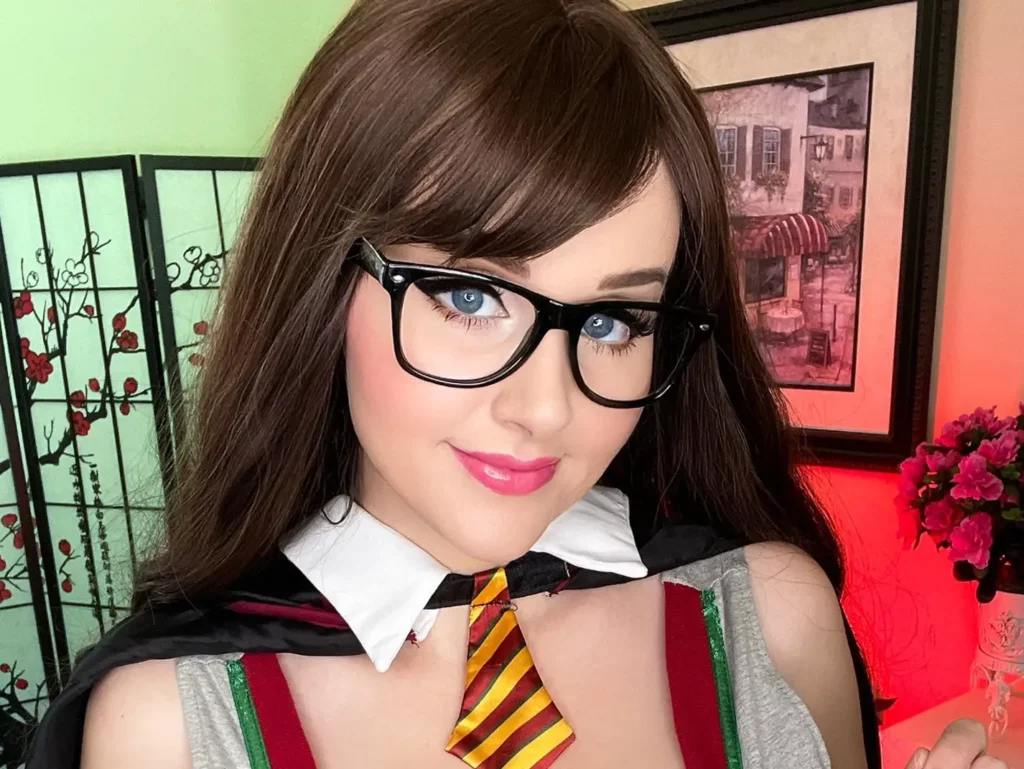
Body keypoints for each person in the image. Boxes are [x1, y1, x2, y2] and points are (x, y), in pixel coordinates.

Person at [24, 1, 999, 768]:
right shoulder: (170, 725)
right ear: (322, 282)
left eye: (613, 321)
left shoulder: (768, 621)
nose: (545, 409)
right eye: (468, 295)